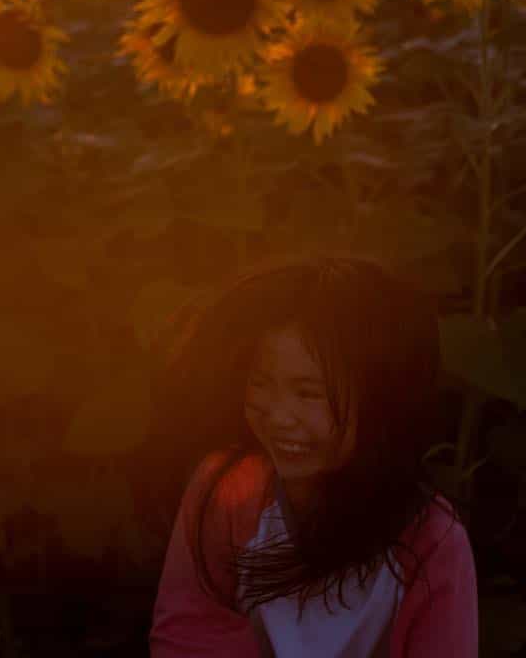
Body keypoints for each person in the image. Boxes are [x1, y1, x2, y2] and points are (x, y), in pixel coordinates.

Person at [148, 258, 477, 657]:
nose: (278, 416)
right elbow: (187, 634)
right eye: (261, 382)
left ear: (382, 402)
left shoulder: (431, 541)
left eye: (308, 393)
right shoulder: (227, 491)